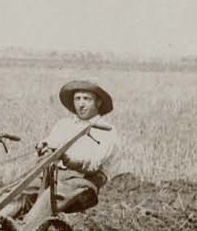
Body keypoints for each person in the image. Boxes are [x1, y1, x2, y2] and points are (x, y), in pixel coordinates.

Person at [10, 79, 118, 222]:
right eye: (77, 98)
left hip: (82, 181)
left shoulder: (106, 131)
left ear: (98, 102)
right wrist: (44, 147)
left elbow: (93, 164)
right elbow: (50, 142)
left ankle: (26, 228)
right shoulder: (64, 125)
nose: (81, 103)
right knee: (20, 191)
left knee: (50, 198)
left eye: (87, 99)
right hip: (52, 175)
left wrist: (67, 159)